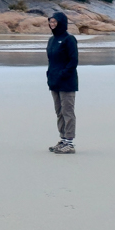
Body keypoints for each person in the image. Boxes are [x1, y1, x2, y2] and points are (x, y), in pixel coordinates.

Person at [46, 11, 78, 154]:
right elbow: (51, 61)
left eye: (55, 22)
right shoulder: (51, 40)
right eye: (50, 22)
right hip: (54, 81)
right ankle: (63, 139)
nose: (52, 24)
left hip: (67, 82)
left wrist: (63, 74)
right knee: (59, 112)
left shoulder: (69, 39)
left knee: (67, 111)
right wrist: (50, 76)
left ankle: (69, 142)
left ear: (61, 23)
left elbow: (73, 61)